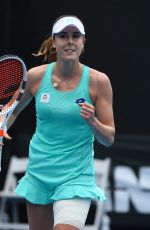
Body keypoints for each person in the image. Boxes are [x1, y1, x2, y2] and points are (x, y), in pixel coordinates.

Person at [1, 15, 115, 230]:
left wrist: (93, 122)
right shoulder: (35, 77)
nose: (69, 41)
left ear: (83, 42)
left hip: (76, 177)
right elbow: (10, 113)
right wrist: (1, 126)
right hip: (39, 173)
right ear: (54, 41)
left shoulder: (99, 82)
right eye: (63, 36)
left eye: (75, 36)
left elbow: (108, 138)